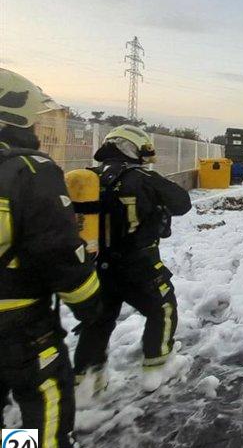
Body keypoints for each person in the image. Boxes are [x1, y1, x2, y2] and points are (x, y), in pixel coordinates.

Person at [0, 68, 103, 448]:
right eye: (32, 118)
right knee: (43, 404)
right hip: (18, 325)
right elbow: (57, 251)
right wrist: (91, 302)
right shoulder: (30, 171)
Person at [74, 125, 191, 393]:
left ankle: (86, 382)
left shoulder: (88, 179)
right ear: (131, 148)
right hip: (138, 265)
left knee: (98, 320)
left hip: (97, 267)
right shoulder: (142, 179)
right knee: (162, 307)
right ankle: (157, 366)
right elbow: (182, 202)